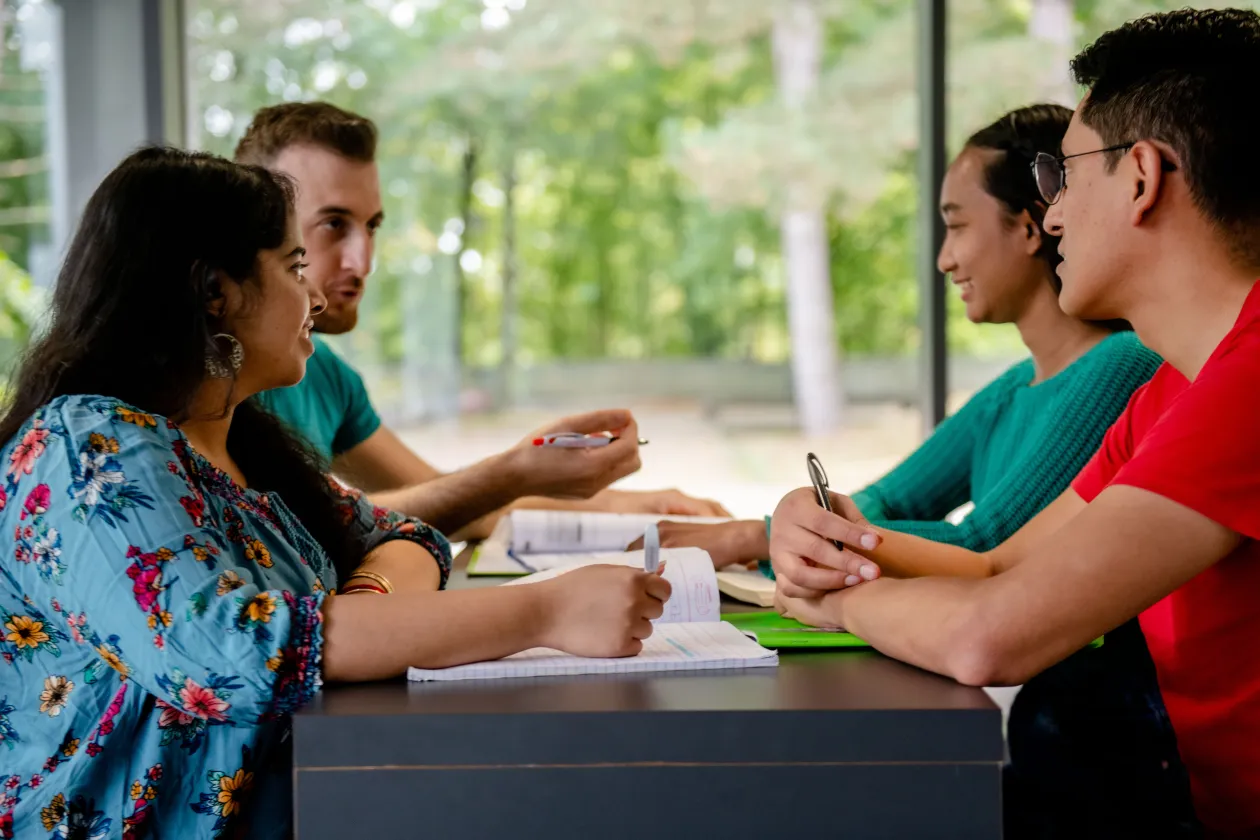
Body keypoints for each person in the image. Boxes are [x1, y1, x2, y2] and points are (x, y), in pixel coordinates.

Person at [0, 148, 670, 838]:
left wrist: (359, 605)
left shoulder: (241, 447)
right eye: (295, 267)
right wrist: (543, 612)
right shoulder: (85, 446)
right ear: (215, 294)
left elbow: (408, 538)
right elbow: (234, 652)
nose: (316, 295)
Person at [769, 9, 1260, 837]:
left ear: (1141, 177)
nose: (1053, 219)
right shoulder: (1176, 387)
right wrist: (831, 537)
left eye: (1064, 178)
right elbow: (999, 568)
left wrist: (836, 606)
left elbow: (988, 638)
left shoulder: (1246, 385)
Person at [639, 104, 1159, 572]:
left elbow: (984, 544)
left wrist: (759, 537)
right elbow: (889, 501)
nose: (944, 259)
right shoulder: (1016, 386)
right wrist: (789, 534)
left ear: (1030, 228)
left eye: (956, 227)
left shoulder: (1121, 366)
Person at [233, 103, 727, 541]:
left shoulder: (326, 376)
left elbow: (448, 501)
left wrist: (642, 507)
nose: (362, 260)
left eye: (373, 226)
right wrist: (514, 471)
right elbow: (309, 525)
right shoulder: (210, 380)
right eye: (334, 224)